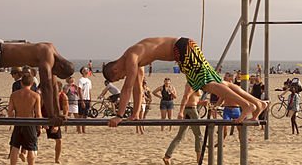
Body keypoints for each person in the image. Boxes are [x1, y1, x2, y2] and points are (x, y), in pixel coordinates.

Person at [101, 37, 265, 128]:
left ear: (115, 70)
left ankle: (245, 105)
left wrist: (119, 116)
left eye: (119, 77)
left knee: (207, 84)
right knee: (219, 82)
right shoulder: (136, 60)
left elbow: (127, 88)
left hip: (182, 49)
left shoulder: (131, 57)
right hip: (185, 48)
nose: (122, 78)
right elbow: (137, 88)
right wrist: (135, 114)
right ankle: (256, 103)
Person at [8, 72, 41, 165]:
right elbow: (38, 113)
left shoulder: (14, 95)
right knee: (31, 148)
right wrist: (39, 126)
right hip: (30, 122)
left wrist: (12, 120)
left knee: (15, 147)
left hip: (18, 121)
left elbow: (10, 111)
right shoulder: (35, 96)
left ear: (21, 83)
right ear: (32, 84)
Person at [163, 87, 205, 165]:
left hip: (191, 108)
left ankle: (167, 156)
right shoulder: (191, 83)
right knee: (199, 135)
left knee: (180, 135)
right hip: (191, 110)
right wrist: (181, 112)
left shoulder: (197, 84)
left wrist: (202, 102)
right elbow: (185, 97)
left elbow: (194, 100)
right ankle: (199, 158)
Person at [44, 80, 67, 163]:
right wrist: (43, 123)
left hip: (56, 118)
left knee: (59, 140)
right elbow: (40, 108)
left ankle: (57, 159)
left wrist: (57, 125)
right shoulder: (46, 96)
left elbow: (65, 112)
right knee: (33, 135)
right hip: (45, 117)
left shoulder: (63, 96)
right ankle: (24, 152)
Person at [76, 67, 92, 134]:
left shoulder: (89, 80)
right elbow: (79, 90)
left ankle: (84, 130)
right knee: (80, 115)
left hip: (87, 99)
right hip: (82, 99)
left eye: (87, 70)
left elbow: (90, 91)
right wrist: (82, 101)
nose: (86, 71)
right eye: (85, 70)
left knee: (85, 116)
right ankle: (79, 130)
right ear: (82, 72)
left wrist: (90, 100)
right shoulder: (81, 80)